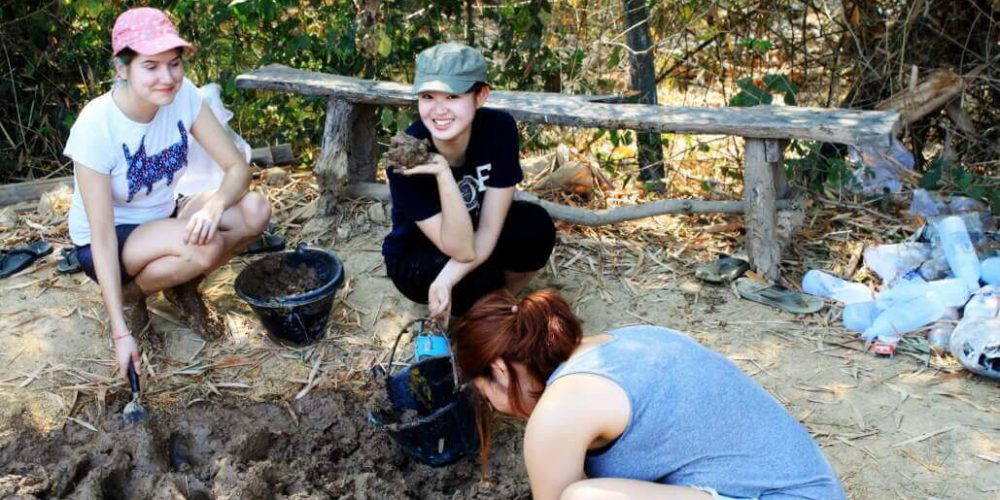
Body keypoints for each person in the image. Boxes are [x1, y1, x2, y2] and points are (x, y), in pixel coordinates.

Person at [452, 289, 846, 500]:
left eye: (486, 394)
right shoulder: (630, 339)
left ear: (500, 370)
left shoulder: (559, 410)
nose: (493, 406)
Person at [64, 7, 271, 381]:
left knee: (255, 210)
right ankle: (131, 300)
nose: (168, 77)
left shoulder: (184, 96)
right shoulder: (96, 126)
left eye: (174, 64)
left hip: (165, 215)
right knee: (202, 247)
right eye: (151, 66)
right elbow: (102, 235)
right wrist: (119, 333)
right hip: (114, 237)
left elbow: (238, 169)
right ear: (122, 69)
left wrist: (214, 207)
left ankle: (181, 286)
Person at [382, 43, 556, 326]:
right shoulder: (406, 158)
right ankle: (480, 312)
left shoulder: (499, 129)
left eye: (452, 96)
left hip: (473, 234)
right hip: (419, 254)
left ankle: (497, 304)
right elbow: (462, 250)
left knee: (534, 226)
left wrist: (447, 280)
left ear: (480, 96)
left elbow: (488, 230)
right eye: (428, 96)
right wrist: (441, 172)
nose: (439, 110)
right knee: (478, 279)